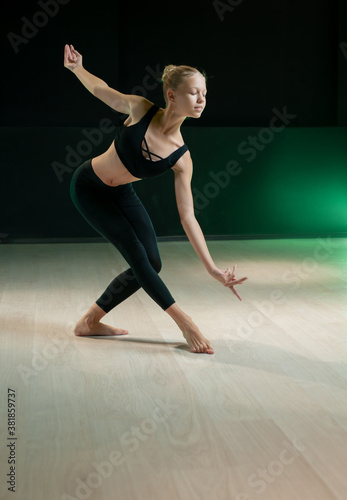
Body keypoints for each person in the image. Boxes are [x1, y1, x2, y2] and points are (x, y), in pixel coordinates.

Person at [64, 43, 247, 355]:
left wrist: (212, 268)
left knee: (153, 263)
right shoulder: (140, 109)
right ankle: (184, 321)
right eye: (194, 93)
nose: (202, 99)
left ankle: (90, 321)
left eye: (204, 93)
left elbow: (188, 216)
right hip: (89, 188)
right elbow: (102, 90)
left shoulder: (182, 157)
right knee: (138, 255)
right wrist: (77, 68)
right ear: (172, 95)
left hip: (122, 194)